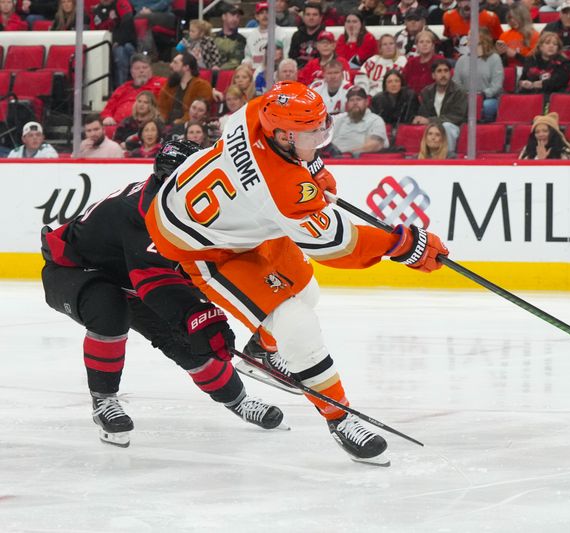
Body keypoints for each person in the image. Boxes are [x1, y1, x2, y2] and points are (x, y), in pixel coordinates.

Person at [145, 81, 449, 466]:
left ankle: (263, 351)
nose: (321, 139)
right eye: (312, 135)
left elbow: (290, 156)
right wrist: (403, 245)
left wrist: (313, 168)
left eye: (322, 128)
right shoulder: (282, 189)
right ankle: (340, 418)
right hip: (200, 245)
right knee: (295, 322)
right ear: (284, 136)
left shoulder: (257, 112)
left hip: (241, 220)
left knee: (306, 292)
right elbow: (337, 245)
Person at [41, 140, 284, 448]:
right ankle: (104, 400)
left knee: (189, 341)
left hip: (130, 276)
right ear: (170, 179)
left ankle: (238, 400)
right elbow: (153, 278)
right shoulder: (143, 214)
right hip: (74, 270)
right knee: (110, 310)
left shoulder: (182, 202)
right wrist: (196, 313)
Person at [413, 58, 468, 151]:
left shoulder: (459, 92)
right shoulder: (426, 92)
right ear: (433, 75)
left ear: (450, 73)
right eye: (439, 71)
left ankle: (448, 156)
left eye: (446, 71)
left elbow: (457, 117)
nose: (443, 75)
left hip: (454, 127)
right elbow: (424, 114)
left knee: (446, 126)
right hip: (432, 126)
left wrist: (430, 120)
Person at [453, 28, 504, 122]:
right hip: (465, 98)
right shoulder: (461, 60)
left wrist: (481, 95)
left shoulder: (495, 59)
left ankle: (483, 125)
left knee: (487, 105)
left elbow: (496, 86)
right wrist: (465, 95)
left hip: (487, 98)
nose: (468, 37)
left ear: (482, 38)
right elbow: (456, 83)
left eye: (471, 35)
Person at [101, 54, 166, 126]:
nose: (141, 71)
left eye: (145, 67)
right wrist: (107, 117)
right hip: (119, 126)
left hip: (148, 126)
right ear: (132, 72)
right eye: (137, 68)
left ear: (151, 70)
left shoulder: (162, 83)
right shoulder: (122, 88)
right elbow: (107, 110)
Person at [157, 52, 213, 127]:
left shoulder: (202, 86)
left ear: (186, 67)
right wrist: (160, 121)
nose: (171, 65)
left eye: (175, 63)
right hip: (166, 125)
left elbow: (199, 112)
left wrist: (180, 122)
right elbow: (161, 107)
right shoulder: (169, 84)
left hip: (189, 126)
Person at [330, 85, 389, 155]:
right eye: (351, 100)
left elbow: (374, 145)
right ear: (347, 104)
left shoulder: (376, 120)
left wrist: (348, 154)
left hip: (360, 159)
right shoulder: (339, 120)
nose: (355, 103)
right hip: (332, 158)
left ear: (366, 102)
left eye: (358, 99)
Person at [90, 0, 136, 88]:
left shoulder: (121, 3)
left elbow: (128, 25)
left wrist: (117, 41)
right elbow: (93, 32)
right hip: (103, 45)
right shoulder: (96, 11)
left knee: (121, 51)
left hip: (126, 43)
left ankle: (121, 88)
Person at [496, 4, 539, 68]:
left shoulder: (534, 35)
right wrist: (500, 54)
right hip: (508, 69)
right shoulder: (504, 35)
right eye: (510, 18)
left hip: (526, 69)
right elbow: (500, 63)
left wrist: (515, 55)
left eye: (516, 17)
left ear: (523, 17)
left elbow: (535, 62)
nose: (512, 20)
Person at [402, 29, 444, 95]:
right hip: (412, 99)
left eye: (428, 42)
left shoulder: (440, 61)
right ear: (417, 46)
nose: (425, 44)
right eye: (421, 42)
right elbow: (403, 83)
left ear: (433, 46)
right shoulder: (411, 63)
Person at [289, 1, 326, 68]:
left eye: (315, 15)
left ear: (321, 18)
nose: (311, 18)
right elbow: (291, 59)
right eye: (308, 14)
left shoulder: (325, 36)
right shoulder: (296, 35)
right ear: (303, 17)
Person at [213, 3, 247, 70]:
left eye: (238, 16)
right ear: (224, 16)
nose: (235, 19)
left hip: (230, 74)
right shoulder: (212, 37)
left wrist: (219, 69)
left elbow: (236, 61)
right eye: (232, 15)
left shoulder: (241, 40)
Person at [242, 2, 271, 74]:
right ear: (256, 16)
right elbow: (248, 56)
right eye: (261, 13)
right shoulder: (251, 36)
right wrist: (246, 63)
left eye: (267, 12)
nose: (265, 15)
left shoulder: (280, 33)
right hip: (255, 72)